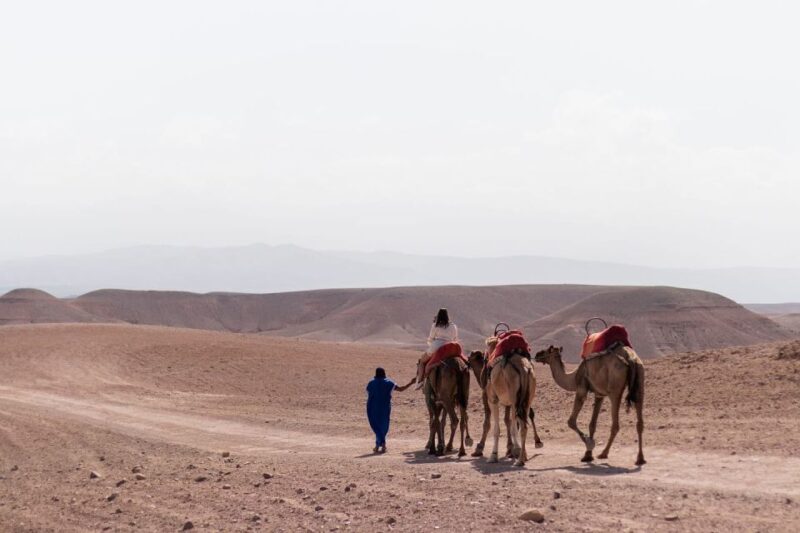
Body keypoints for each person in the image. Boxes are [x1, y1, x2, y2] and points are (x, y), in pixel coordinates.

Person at [366, 368, 414, 453]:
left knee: (377, 426)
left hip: (373, 407)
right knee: (384, 425)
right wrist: (411, 382)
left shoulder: (371, 383)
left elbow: (369, 394)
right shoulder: (389, 383)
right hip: (385, 407)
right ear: (384, 373)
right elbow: (401, 389)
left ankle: (378, 445)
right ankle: (382, 444)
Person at [415, 308, 459, 390]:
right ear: (447, 316)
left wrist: (431, 345)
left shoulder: (435, 325)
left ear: (438, 315)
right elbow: (455, 338)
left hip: (437, 346)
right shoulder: (453, 326)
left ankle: (420, 381)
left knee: (422, 361)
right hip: (450, 346)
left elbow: (431, 339)